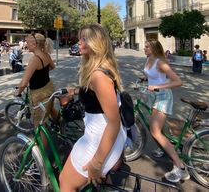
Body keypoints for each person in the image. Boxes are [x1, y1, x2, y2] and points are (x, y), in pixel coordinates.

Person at [59, 23, 127, 191]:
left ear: (95, 43)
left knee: (65, 182)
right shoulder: (99, 69)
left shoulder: (98, 75)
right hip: (98, 135)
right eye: (79, 37)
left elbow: (113, 122)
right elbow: (96, 95)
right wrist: (75, 91)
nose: (78, 42)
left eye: (83, 39)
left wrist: (97, 162)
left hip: (99, 139)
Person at [142, 39, 189, 183]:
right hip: (152, 96)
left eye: (146, 46)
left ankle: (181, 168)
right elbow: (152, 75)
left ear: (154, 48)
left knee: (155, 131)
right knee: (157, 128)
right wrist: (145, 79)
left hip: (163, 97)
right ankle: (164, 149)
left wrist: (158, 87)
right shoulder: (149, 59)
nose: (144, 48)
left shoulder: (160, 62)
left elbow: (178, 81)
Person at [15, 33, 57, 128]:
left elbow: (24, 83)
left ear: (34, 44)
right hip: (49, 88)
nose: (26, 45)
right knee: (50, 109)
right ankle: (62, 126)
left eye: (28, 43)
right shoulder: (46, 55)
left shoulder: (35, 59)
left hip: (39, 94)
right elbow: (52, 67)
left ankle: (40, 143)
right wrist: (40, 73)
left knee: (39, 124)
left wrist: (18, 92)